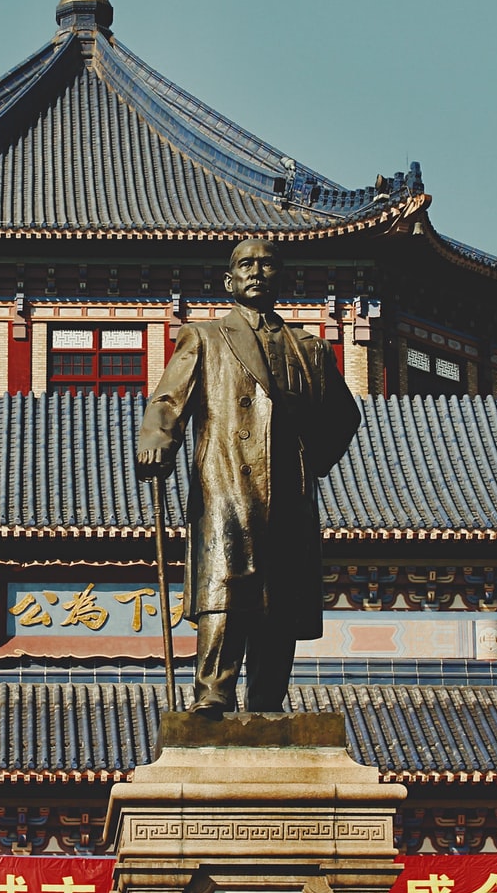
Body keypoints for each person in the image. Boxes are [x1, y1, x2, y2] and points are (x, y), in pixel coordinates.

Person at [135, 238, 361, 716]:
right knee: (225, 586)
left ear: (282, 278)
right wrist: (158, 438)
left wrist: (308, 462)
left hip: (288, 492)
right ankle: (212, 693)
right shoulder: (206, 338)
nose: (256, 271)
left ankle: (267, 698)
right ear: (229, 280)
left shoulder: (310, 349)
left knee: (280, 598)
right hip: (228, 489)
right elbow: (168, 400)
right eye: (246, 264)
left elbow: (343, 417)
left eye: (266, 264)